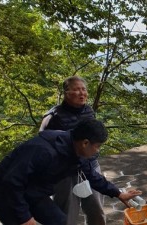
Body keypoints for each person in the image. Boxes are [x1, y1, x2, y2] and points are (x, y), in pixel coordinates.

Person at [0, 119, 141, 225]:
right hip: (2, 193)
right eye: (97, 146)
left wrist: (118, 193)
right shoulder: (43, 150)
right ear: (85, 142)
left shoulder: (77, 152)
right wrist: (25, 217)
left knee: (59, 222)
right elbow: (11, 183)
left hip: (33, 191)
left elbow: (92, 176)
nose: (97, 150)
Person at [39, 76, 105, 225]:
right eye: (76, 89)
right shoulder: (53, 116)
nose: (82, 93)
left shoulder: (89, 111)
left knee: (97, 210)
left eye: (84, 89)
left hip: (90, 165)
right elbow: (42, 144)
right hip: (65, 171)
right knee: (66, 214)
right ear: (66, 92)